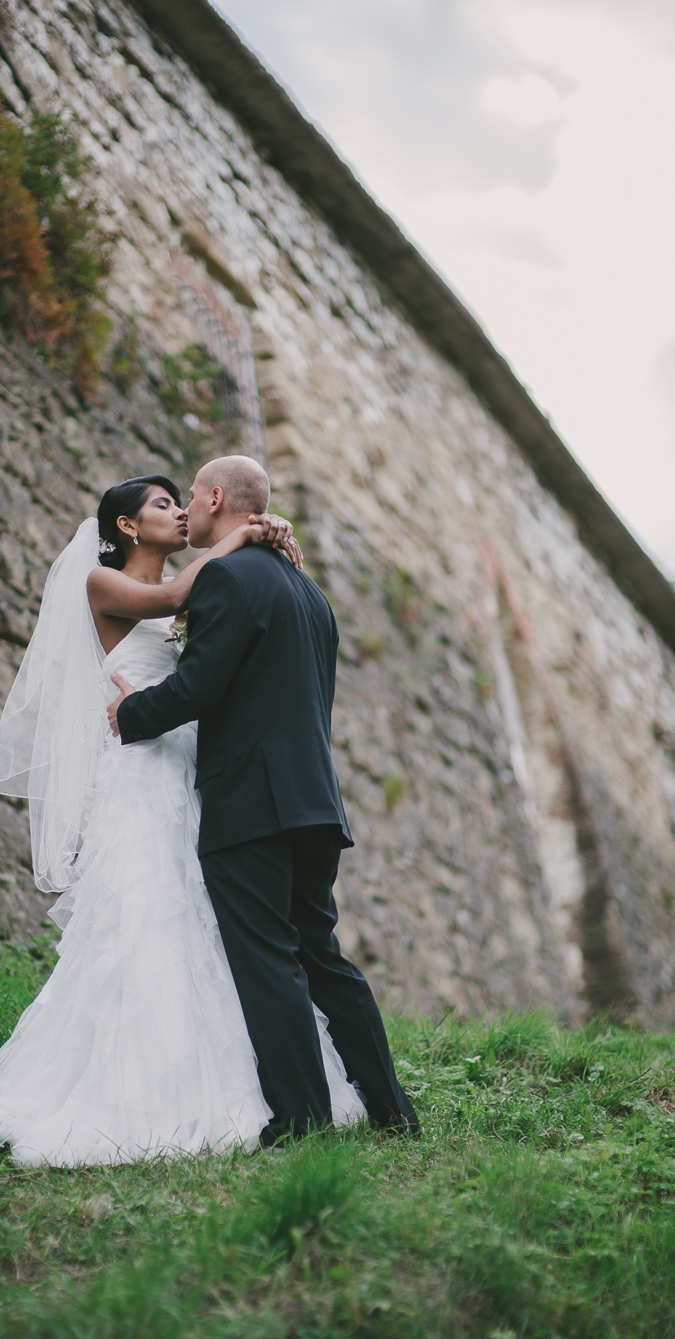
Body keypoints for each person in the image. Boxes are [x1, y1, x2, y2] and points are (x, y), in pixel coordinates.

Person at [0, 473, 365, 1167]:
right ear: (126, 528)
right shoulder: (102, 585)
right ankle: (140, 1086)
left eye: (182, 500)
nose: (178, 513)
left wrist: (245, 542)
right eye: (162, 505)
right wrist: (244, 533)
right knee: (148, 912)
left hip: (195, 772)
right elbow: (175, 596)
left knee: (211, 924)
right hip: (140, 773)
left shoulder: (206, 587)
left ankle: (256, 1080)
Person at [108, 456, 420, 1145]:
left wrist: (132, 712)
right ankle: (394, 1112)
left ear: (216, 496)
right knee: (324, 958)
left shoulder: (222, 576)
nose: (187, 509)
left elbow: (196, 686)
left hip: (251, 801)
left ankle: (302, 1119)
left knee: (268, 957)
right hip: (315, 800)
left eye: (191, 496)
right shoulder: (309, 592)